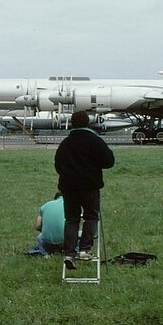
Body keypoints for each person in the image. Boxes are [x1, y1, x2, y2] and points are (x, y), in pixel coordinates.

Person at [55, 111, 115, 270]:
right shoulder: (95, 140)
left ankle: (69, 253)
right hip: (89, 186)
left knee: (71, 220)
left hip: (69, 187)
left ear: (72, 123)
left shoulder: (65, 143)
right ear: (88, 123)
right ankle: (85, 249)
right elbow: (109, 162)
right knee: (91, 217)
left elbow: (58, 165)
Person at [27, 192, 65, 257]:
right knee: (81, 234)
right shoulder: (71, 205)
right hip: (66, 241)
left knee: (39, 237)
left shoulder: (44, 206)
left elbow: (38, 226)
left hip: (47, 243)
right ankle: (77, 252)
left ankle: (45, 254)